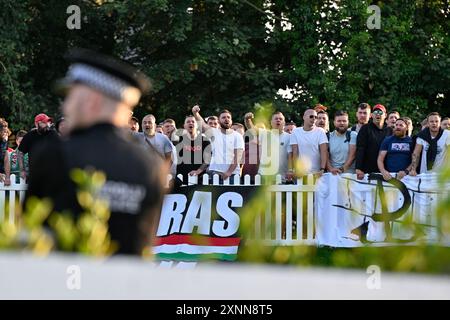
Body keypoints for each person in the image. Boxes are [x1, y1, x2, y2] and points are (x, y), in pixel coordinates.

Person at [25, 48, 167, 255]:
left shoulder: (54, 154)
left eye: (70, 98)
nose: (65, 108)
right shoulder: (151, 165)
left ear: (92, 102)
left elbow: (32, 235)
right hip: (123, 286)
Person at [192, 105, 244, 181]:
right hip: (215, 173)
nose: (226, 119)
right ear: (219, 121)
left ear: (231, 120)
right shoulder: (214, 132)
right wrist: (195, 113)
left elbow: (238, 156)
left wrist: (229, 172)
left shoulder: (237, 136)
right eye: (223, 117)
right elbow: (202, 124)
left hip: (233, 175)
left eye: (228, 117)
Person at [355, 104, 393, 179]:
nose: (378, 114)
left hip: (386, 171)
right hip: (367, 170)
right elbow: (360, 148)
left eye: (380, 113)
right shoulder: (365, 129)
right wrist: (358, 168)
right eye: (375, 112)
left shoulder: (390, 130)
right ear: (371, 115)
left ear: (385, 115)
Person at [18, 113, 59, 180]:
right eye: (44, 123)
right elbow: (20, 153)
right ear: (37, 124)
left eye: (48, 122)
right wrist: (22, 170)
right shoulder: (29, 136)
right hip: (35, 174)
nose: (47, 125)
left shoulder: (53, 134)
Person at [289, 109, 328, 176]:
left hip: (317, 173)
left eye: (316, 117)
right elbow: (295, 152)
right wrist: (295, 169)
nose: (314, 119)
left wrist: (322, 169)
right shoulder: (295, 132)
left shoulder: (320, 131)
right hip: (301, 173)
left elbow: (323, 152)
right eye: (311, 116)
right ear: (304, 117)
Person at [174, 116, 211, 185]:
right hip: (181, 179)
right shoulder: (178, 140)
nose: (190, 123)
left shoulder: (205, 141)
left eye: (193, 122)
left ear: (197, 125)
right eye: (188, 122)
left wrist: (198, 171)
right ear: (184, 126)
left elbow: (207, 160)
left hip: (200, 179)